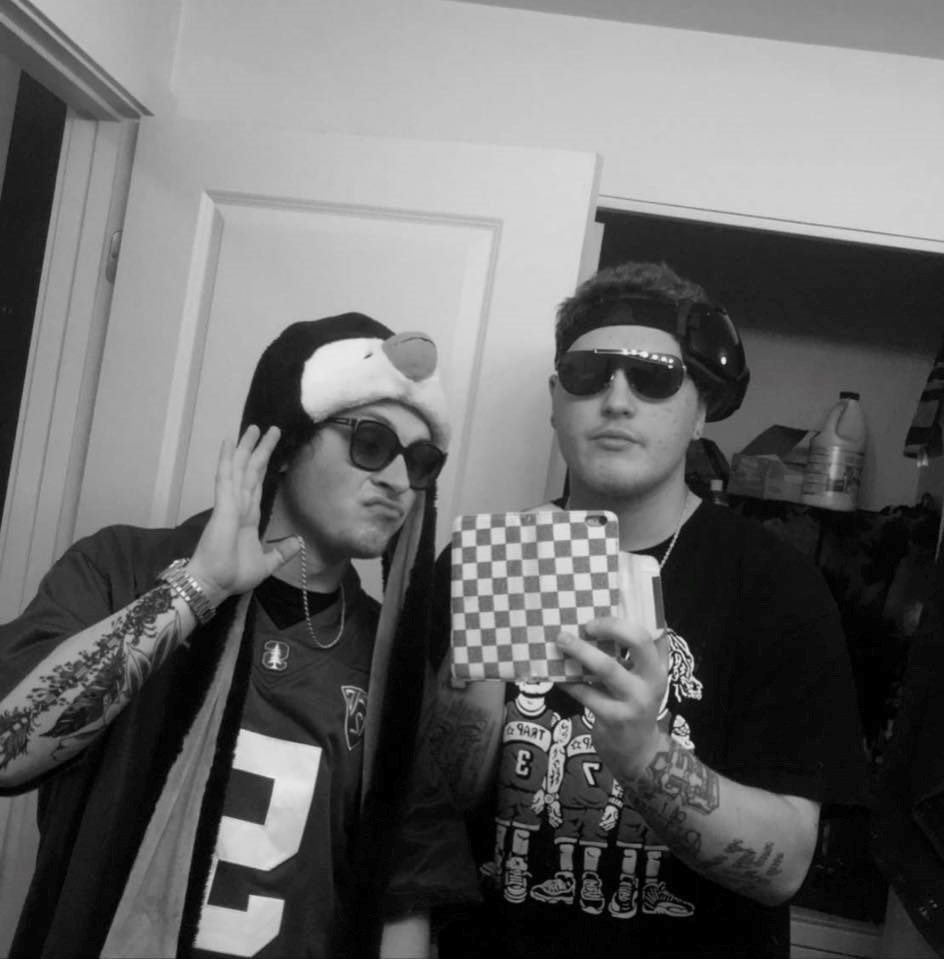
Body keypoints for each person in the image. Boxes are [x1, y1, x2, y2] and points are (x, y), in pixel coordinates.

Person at [0, 312, 477, 959]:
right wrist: (197, 588)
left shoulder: (386, 663)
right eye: (371, 442)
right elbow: (6, 749)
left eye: (420, 461)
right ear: (288, 439)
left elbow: (405, 892)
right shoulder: (122, 569)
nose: (398, 480)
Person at [429, 262, 867, 958]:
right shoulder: (477, 562)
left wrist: (642, 752)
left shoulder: (778, 586)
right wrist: (477, 661)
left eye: (654, 377)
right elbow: (436, 809)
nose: (616, 399)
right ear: (556, 400)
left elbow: (783, 866)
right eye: (587, 374)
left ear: (700, 410)